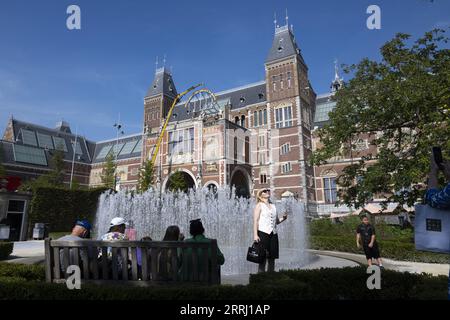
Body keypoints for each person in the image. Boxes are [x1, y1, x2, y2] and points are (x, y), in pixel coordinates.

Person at [253, 189, 288, 273]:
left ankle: (270, 277)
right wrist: (255, 235)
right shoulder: (259, 205)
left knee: (272, 258)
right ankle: (260, 278)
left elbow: (276, 221)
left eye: (268, 190)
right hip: (262, 233)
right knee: (262, 258)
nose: (267, 191)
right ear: (260, 195)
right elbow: (255, 221)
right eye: (264, 191)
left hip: (273, 234)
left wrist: (284, 218)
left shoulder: (273, 206)